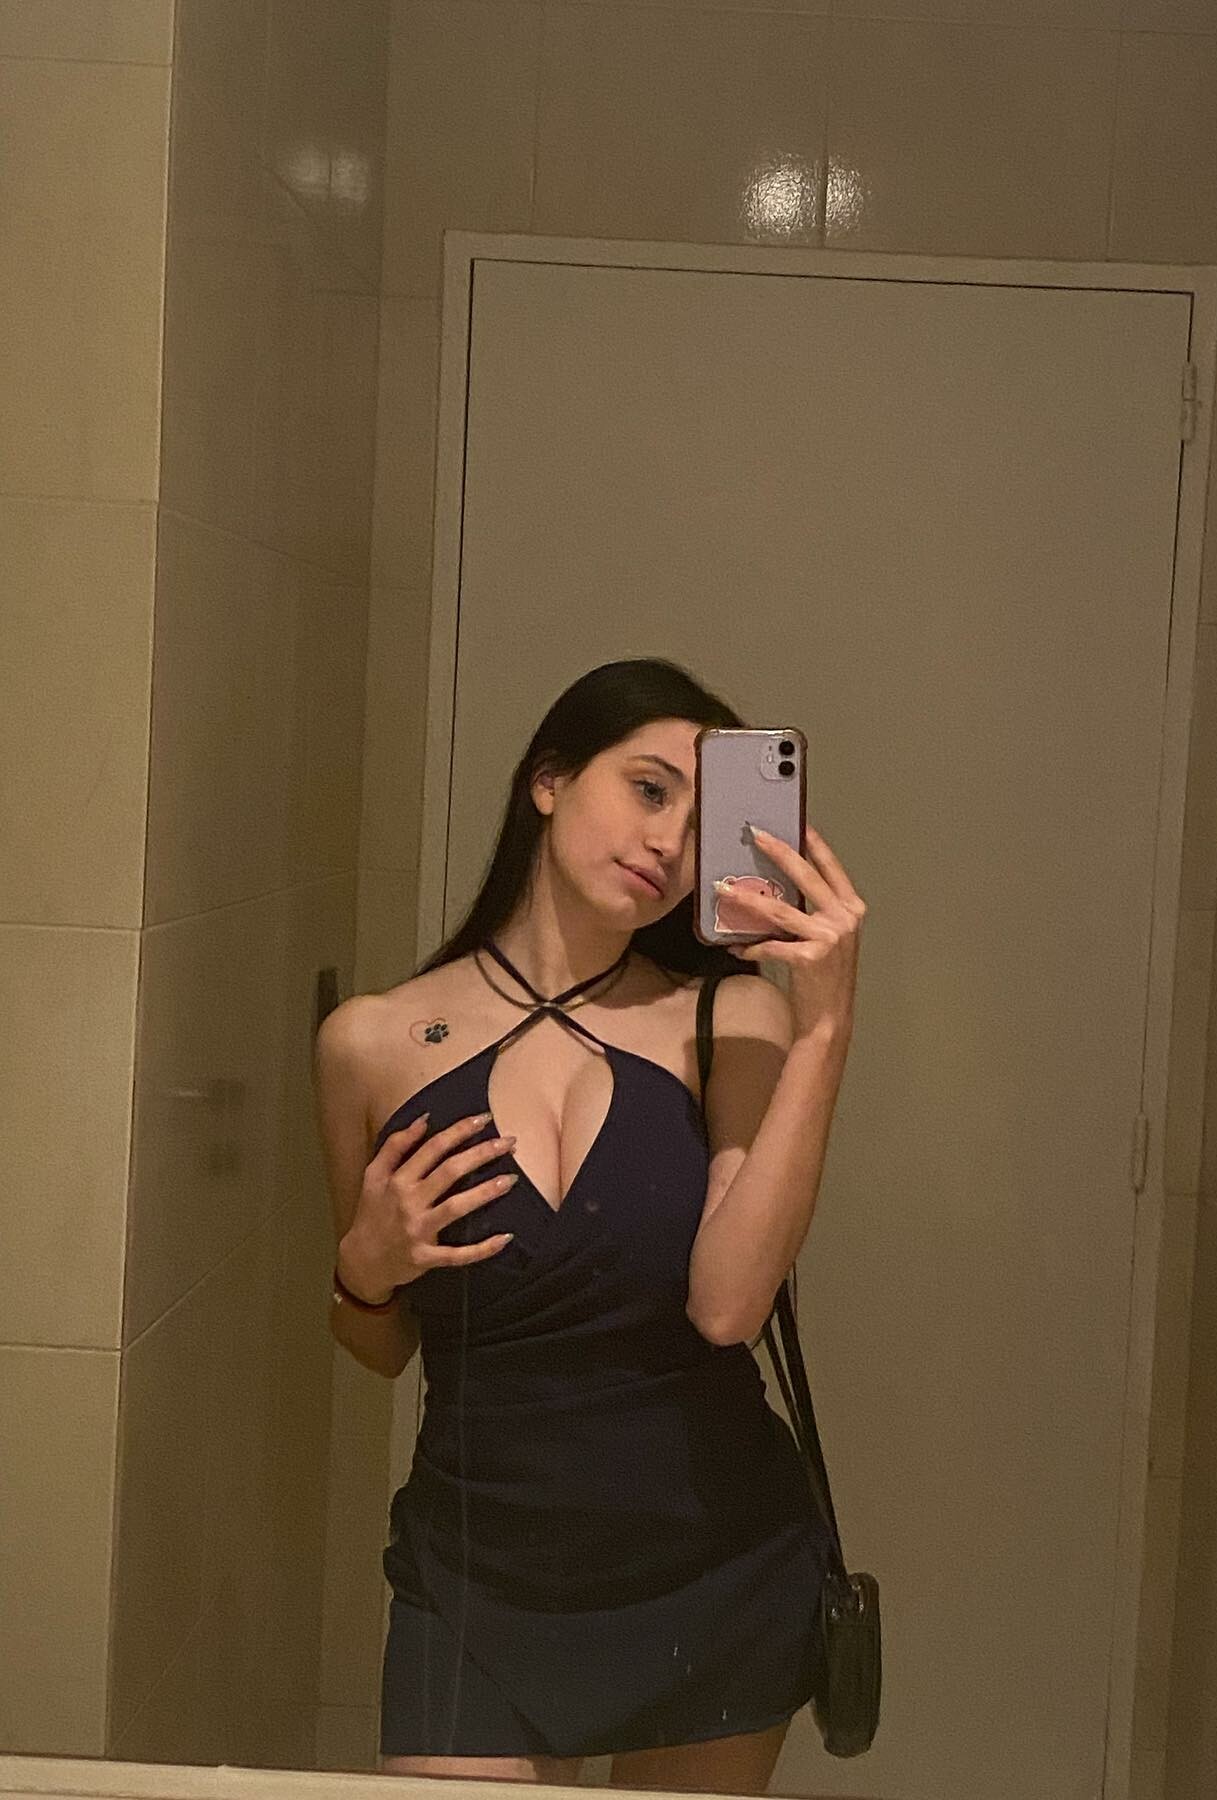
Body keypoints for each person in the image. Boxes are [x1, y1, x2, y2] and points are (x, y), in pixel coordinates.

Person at [312, 657, 866, 1791]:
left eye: (703, 825)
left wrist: (823, 1032)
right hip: (476, 1576)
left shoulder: (730, 1020)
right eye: (650, 789)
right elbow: (382, 1347)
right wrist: (363, 1270)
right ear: (550, 780)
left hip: (715, 1569)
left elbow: (729, 1306)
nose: (669, 842)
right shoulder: (370, 1043)